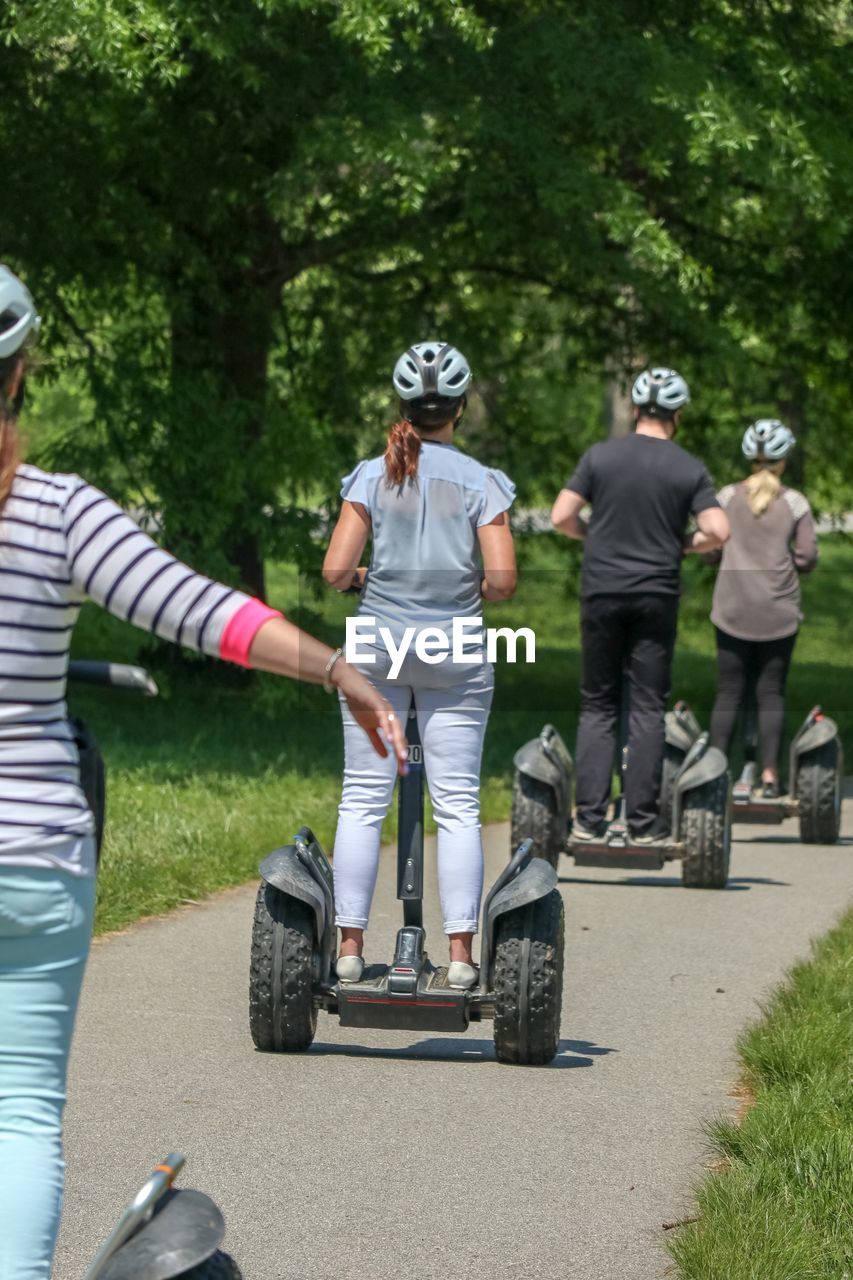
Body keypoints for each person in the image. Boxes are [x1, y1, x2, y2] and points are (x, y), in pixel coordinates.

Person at [0, 264, 407, 1280]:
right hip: (33, 851)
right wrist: (338, 668)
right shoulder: (56, 510)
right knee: (19, 1109)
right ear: (19, 376)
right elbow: (198, 608)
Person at [323, 341, 516, 990]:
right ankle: (461, 959)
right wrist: (471, 589)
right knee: (457, 804)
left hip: (376, 650)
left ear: (403, 405)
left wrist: (366, 578)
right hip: (453, 652)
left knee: (362, 797)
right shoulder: (481, 482)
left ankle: (348, 949)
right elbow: (503, 580)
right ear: (458, 409)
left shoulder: (369, 475)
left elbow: (334, 570)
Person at [550, 367, 730, 844]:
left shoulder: (600, 457)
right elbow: (718, 531)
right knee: (648, 707)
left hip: (602, 590)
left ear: (634, 410)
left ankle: (588, 820)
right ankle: (643, 823)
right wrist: (681, 545)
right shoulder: (688, 467)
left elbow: (561, 515)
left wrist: (593, 535)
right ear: (678, 415)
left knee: (598, 705)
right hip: (656, 593)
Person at [706, 420, 818, 796]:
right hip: (778, 612)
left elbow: (711, 547)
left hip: (732, 608)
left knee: (729, 692)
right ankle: (769, 776)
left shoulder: (725, 498)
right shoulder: (795, 502)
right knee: (771, 693)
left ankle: (717, 774)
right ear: (783, 460)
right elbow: (807, 557)